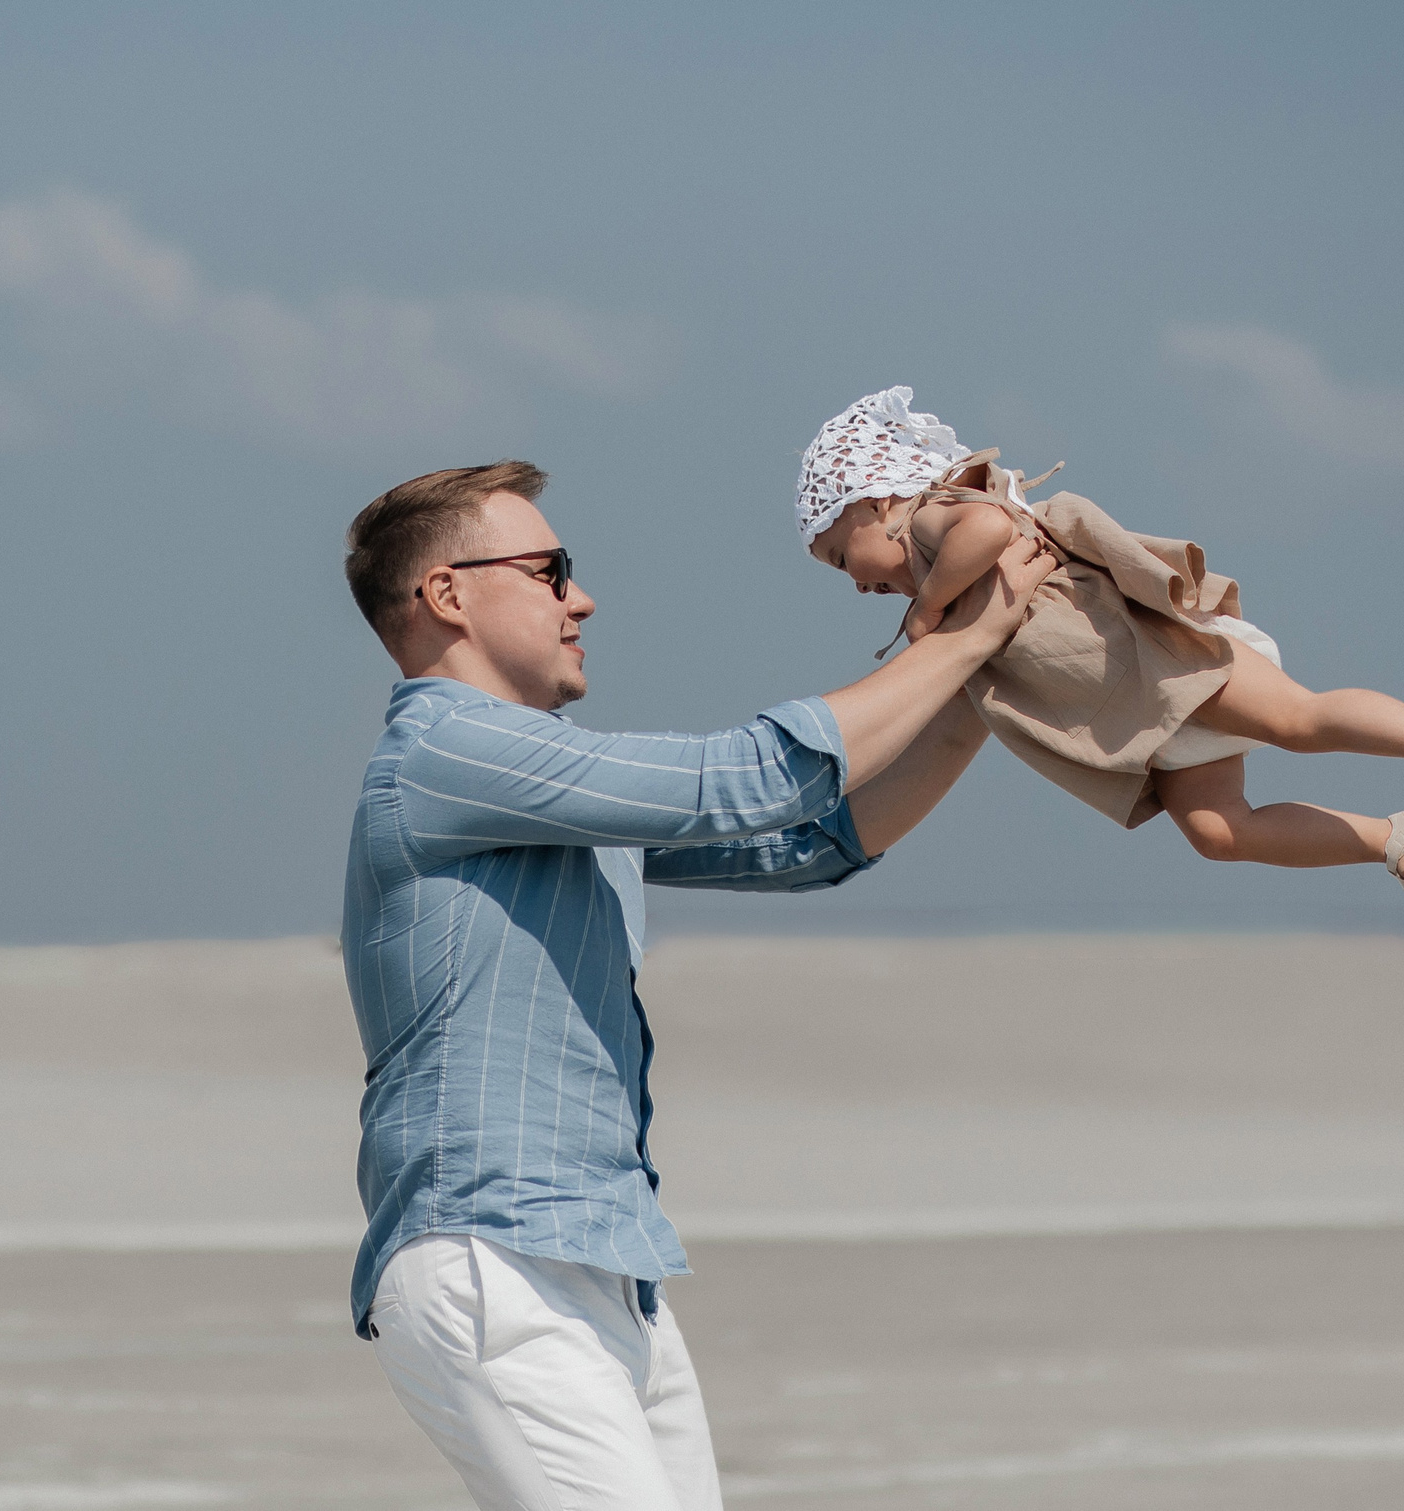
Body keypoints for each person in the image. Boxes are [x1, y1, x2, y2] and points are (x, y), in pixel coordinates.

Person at [336, 459, 1052, 1511]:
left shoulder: (540, 775)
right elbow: (743, 779)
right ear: (446, 594)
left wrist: (985, 682)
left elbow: (808, 841)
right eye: (549, 569)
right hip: (495, 1261)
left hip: (606, 1266)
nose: (581, 597)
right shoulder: (448, 750)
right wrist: (964, 635)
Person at [797, 386, 1404, 933]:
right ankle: (1402, 841)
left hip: (1165, 662)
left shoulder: (932, 517)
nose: (855, 580)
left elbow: (987, 529)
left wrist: (927, 608)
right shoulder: (936, 579)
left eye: (839, 555)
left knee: (1299, 720)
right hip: (1145, 722)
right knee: (1218, 833)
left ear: (874, 500)